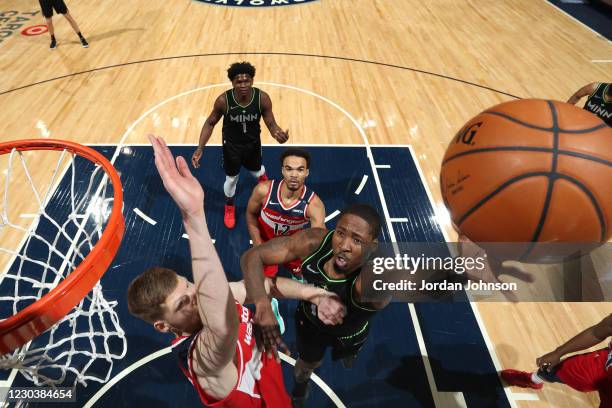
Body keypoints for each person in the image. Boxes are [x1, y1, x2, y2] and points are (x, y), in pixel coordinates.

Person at [128, 135, 345, 407]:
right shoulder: (202, 357)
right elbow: (221, 322)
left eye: (189, 285)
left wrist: (314, 294)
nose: (195, 295)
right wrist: (194, 217)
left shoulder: (218, 298)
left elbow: (265, 286)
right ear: (163, 325)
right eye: (182, 302)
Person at [240, 204, 390, 406]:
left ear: (372, 247)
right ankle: (300, 393)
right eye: (340, 233)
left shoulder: (371, 281)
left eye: (356, 240)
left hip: (350, 334)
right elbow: (252, 256)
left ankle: (348, 354)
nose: (344, 245)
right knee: (303, 369)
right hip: (310, 324)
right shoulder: (314, 242)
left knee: (349, 356)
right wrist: (262, 304)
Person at [191, 62, 289, 229]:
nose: (243, 85)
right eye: (239, 82)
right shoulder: (223, 101)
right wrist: (200, 148)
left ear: (252, 81)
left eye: (247, 81)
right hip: (232, 147)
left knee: (258, 170)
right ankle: (229, 205)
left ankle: (264, 186)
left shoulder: (262, 98)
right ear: (232, 83)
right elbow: (210, 122)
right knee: (232, 178)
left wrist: (278, 134)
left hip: (253, 144)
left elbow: (272, 124)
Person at [246, 147, 326, 278]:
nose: (294, 175)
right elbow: (251, 215)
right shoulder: (263, 191)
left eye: (300, 169)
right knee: (265, 278)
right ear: (282, 170)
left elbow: (316, 239)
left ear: (307, 172)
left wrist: (307, 256)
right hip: (265, 243)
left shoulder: (314, 205)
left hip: (294, 246)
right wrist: (257, 244)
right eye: (289, 169)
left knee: (301, 274)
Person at [501, 314, 612, 407]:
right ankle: (533, 380)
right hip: (603, 365)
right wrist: (558, 352)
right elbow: (596, 333)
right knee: (556, 369)